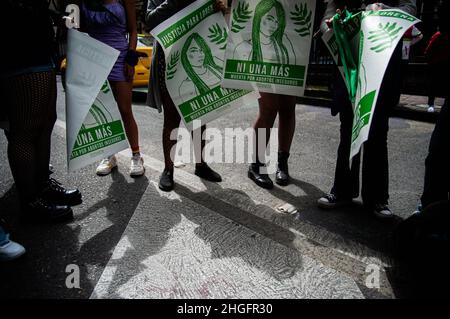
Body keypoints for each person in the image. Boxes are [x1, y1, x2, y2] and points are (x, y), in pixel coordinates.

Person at [317, 0, 417, 219]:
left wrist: (384, 11)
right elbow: (327, 17)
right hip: (350, 62)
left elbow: (410, 8)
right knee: (348, 129)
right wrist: (331, 26)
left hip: (382, 60)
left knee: (378, 131)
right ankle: (342, 190)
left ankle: (377, 198)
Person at [0, 0, 82, 223]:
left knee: (46, 122)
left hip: (38, 39)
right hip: (18, 41)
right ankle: (30, 202)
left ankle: (42, 186)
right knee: (25, 129)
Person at [146, 0, 226, 192]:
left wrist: (218, 9)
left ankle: (201, 165)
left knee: (200, 116)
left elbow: (211, 20)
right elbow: (150, 20)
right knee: (171, 120)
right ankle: (168, 169)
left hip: (195, 60)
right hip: (170, 62)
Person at [79, 0, 145, 177]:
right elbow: (75, 28)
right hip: (94, 58)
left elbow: (132, 30)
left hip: (120, 58)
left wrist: (131, 57)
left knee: (125, 109)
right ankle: (109, 156)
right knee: (104, 110)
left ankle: (136, 155)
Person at [244, 0, 298, 189]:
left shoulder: (285, 45)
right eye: (267, 19)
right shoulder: (251, 43)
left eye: (276, 21)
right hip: (261, 65)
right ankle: (256, 165)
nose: (272, 25)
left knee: (288, 109)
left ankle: (282, 163)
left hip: (289, 61)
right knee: (268, 109)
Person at [178, 33, 223, 102]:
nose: (200, 54)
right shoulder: (186, 85)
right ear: (185, 54)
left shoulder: (217, 66)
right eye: (194, 51)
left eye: (202, 50)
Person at [424, 7, 448, 113]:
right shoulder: (438, 36)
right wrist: (430, 61)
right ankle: (431, 104)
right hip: (437, 63)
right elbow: (428, 49)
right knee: (434, 84)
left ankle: (433, 104)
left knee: (438, 84)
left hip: (443, 62)